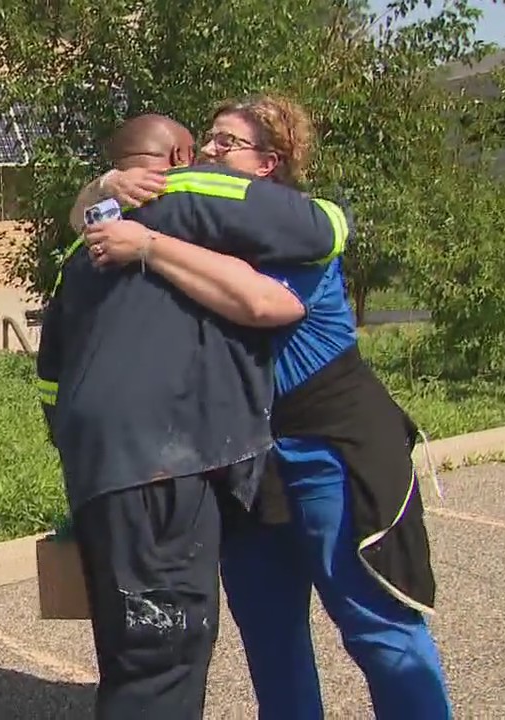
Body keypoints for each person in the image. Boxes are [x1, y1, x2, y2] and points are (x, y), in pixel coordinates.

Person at [83, 95, 453, 720]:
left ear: (269, 164)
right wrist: (103, 183)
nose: (207, 151)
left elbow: (259, 304)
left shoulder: (291, 227)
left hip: (329, 447)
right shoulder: (194, 220)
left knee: (376, 628)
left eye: (227, 143)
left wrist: (146, 242)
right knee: (270, 637)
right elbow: (92, 220)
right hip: (246, 463)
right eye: (207, 138)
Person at [37, 113, 351, 719]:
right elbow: (323, 228)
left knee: (130, 644)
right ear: (177, 156)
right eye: (203, 146)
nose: (210, 154)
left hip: (101, 469)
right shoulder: (185, 188)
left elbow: (50, 373)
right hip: (164, 464)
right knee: (167, 651)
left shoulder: (82, 250)